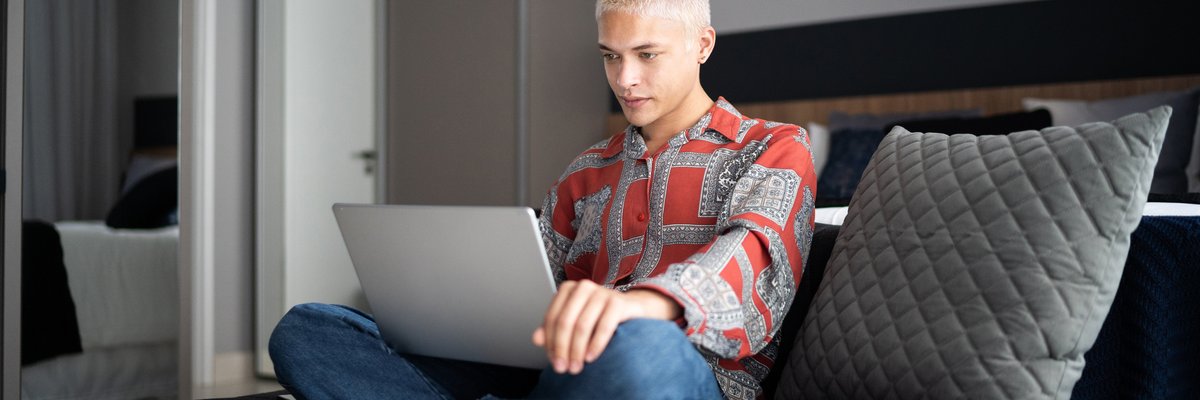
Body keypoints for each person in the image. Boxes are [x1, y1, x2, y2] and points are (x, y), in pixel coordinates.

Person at [269, 0, 816, 398]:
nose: (624, 80)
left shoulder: (773, 146)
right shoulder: (587, 170)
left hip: (677, 372)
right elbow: (532, 289)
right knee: (307, 330)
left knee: (639, 346)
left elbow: (753, 254)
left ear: (703, 44)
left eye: (647, 55)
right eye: (610, 56)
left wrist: (637, 307)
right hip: (550, 368)